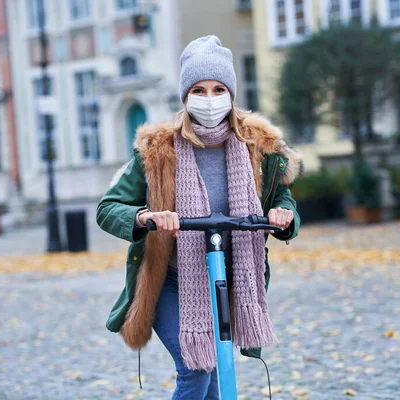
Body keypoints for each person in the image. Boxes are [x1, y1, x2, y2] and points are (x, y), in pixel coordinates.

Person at [97, 35, 302, 399]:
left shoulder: (259, 147)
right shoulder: (159, 150)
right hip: (171, 282)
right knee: (196, 369)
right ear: (186, 96)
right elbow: (108, 208)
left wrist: (283, 214)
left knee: (214, 375)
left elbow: (281, 194)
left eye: (218, 89)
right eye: (200, 90)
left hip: (227, 278)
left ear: (231, 94)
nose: (210, 99)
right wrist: (146, 217)